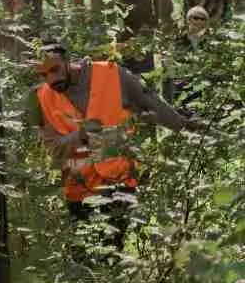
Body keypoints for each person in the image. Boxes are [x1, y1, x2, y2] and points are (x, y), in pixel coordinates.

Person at [27, 39, 200, 254]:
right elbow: (54, 149)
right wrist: (79, 136)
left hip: (119, 180)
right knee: (84, 258)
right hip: (78, 187)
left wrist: (191, 131)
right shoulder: (41, 97)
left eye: (55, 69)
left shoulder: (112, 74)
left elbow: (154, 104)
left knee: (112, 253)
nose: (52, 79)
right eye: (43, 75)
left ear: (68, 60)